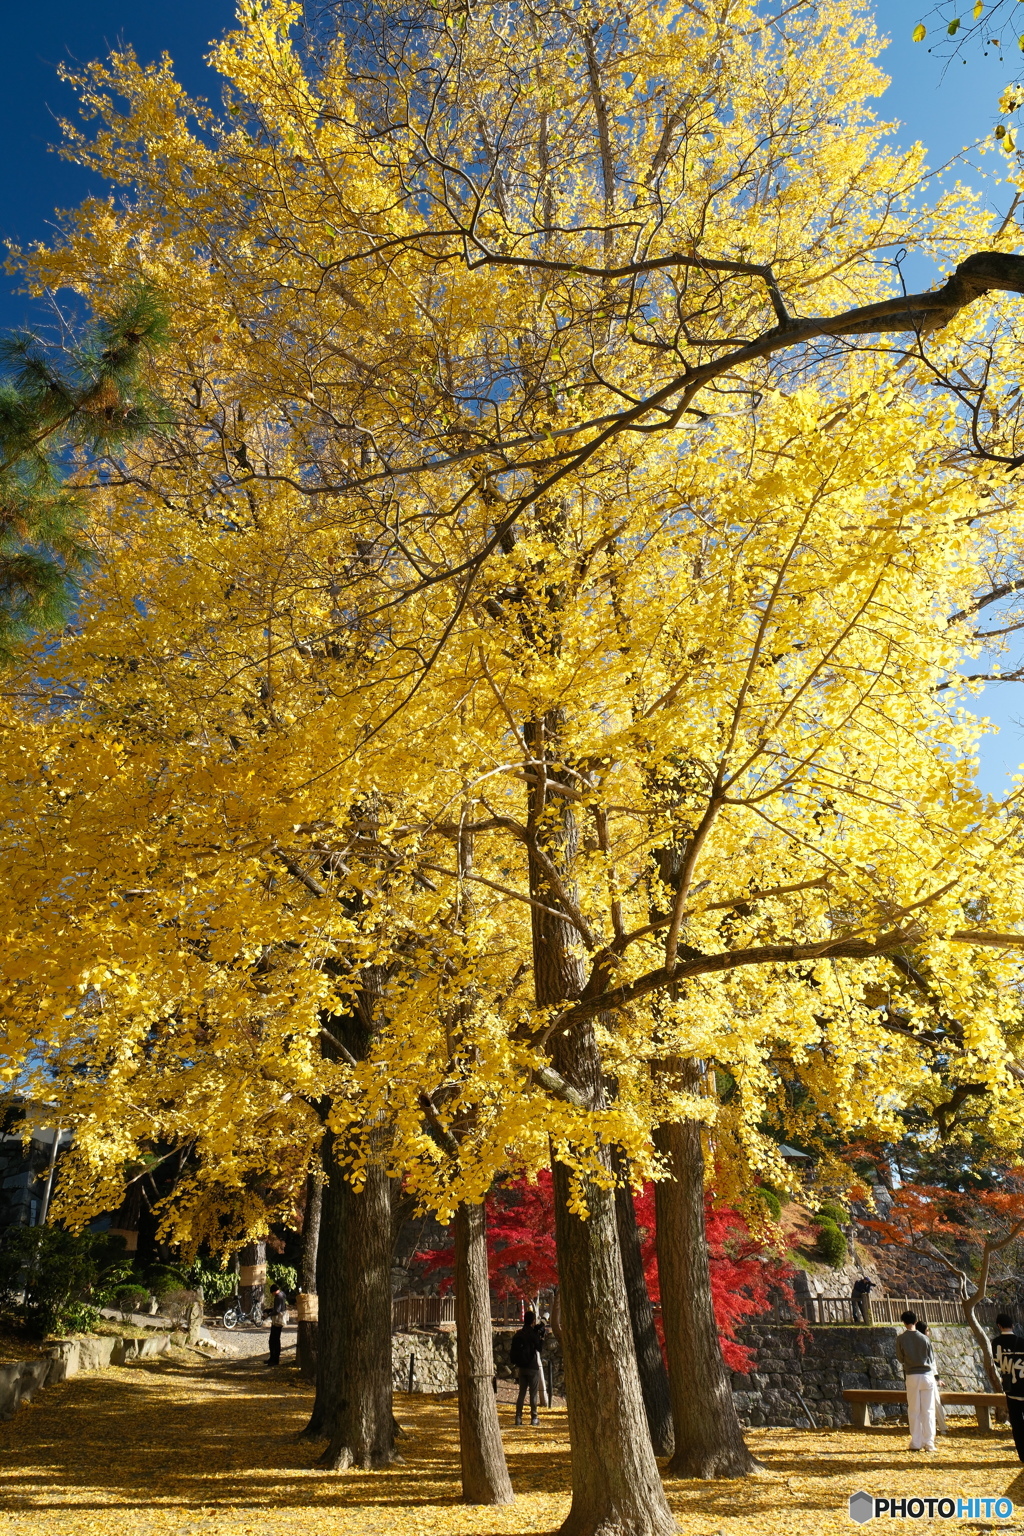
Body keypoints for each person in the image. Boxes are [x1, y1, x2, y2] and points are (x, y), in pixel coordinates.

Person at [896, 1309, 936, 1452]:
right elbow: (931, 1359)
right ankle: (929, 1443)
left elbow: (900, 1358)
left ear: (904, 1322)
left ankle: (916, 1442)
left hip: (912, 1375)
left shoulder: (901, 1339)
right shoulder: (925, 1339)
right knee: (928, 1410)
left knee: (914, 1410)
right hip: (926, 1374)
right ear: (916, 1321)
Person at [993, 1313, 1024, 1461]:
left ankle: (1022, 1454)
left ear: (999, 1326)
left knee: (1017, 1423)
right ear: (1012, 1325)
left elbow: (998, 1363)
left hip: (1011, 1389)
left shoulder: (996, 1343)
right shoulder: (1021, 1342)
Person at [510, 1308, 546, 1426]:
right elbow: (539, 1349)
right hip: (532, 1367)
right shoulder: (533, 1334)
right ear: (533, 1321)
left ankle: (518, 1417)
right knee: (533, 1393)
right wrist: (542, 1337)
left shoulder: (519, 1334)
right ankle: (534, 1417)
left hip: (522, 1367)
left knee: (521, 1393)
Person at [915, 1321, 947, 1435]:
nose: (928, 1332)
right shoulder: (926, 1342)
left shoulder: (913, 1342)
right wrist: (937, 1379)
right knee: (936, 1402)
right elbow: (932, 1363)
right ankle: (942, 1427)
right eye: (927, 1330)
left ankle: (923, 1429)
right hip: (928, 1376)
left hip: (915, 1377)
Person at [267, 1284, 289, 1367]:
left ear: (274, 1291)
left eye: (272, 1293)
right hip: (280, 1320)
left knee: (273, 1340)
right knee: (275, 1340)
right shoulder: (282, 1294)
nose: (272, 1295)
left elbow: (277, 1310)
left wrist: (268, 1314)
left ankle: (274, 1359)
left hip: (277, 1321)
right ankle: (273, 1358)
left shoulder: (278, 1297)